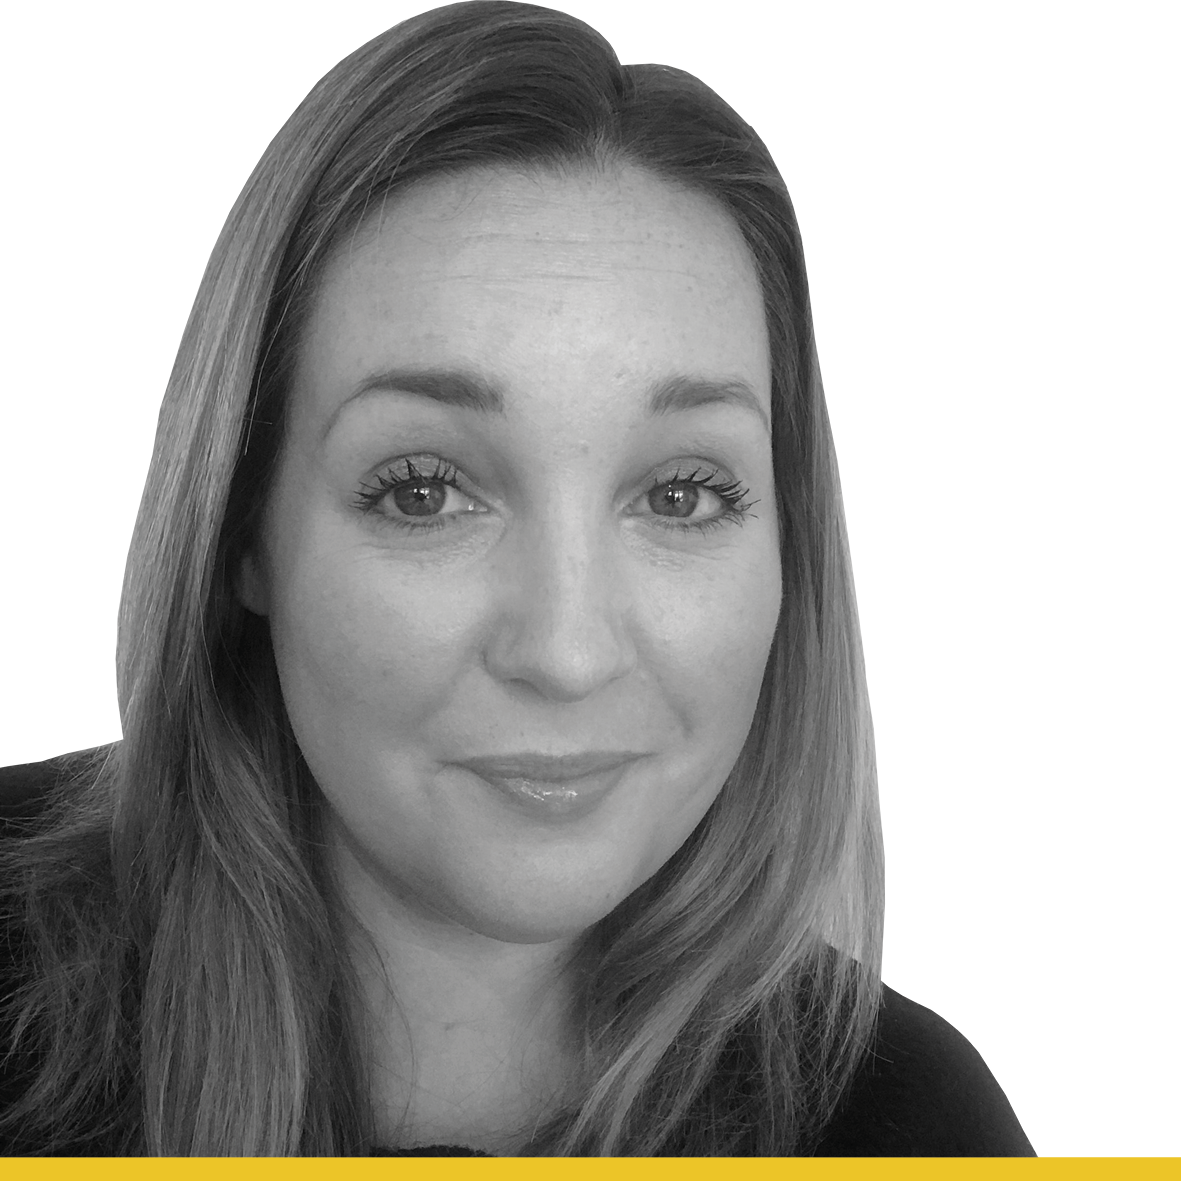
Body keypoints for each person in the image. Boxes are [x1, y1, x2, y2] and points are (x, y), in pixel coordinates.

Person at [0, 0, 1034, 1157]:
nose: (566, 648)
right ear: (243, 527)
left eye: (682, 493)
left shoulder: (911, 1125)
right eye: (425, 488)